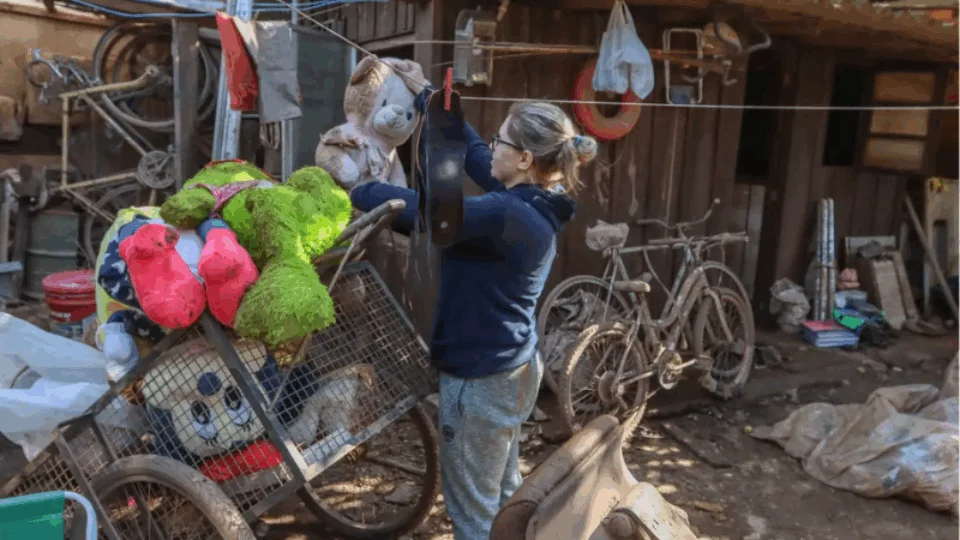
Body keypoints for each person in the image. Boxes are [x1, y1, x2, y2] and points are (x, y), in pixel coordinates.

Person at [349, 82, 598, 539]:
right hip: (514, 367)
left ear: (525, 158)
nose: (493, 143)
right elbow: (481, 158)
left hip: (480, 382)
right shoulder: (542, 198)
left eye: (502, 138)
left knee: (474, 516)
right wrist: (440, 111)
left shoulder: (502, 214)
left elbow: (423, 212)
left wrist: (360, 189)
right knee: (503, 494)